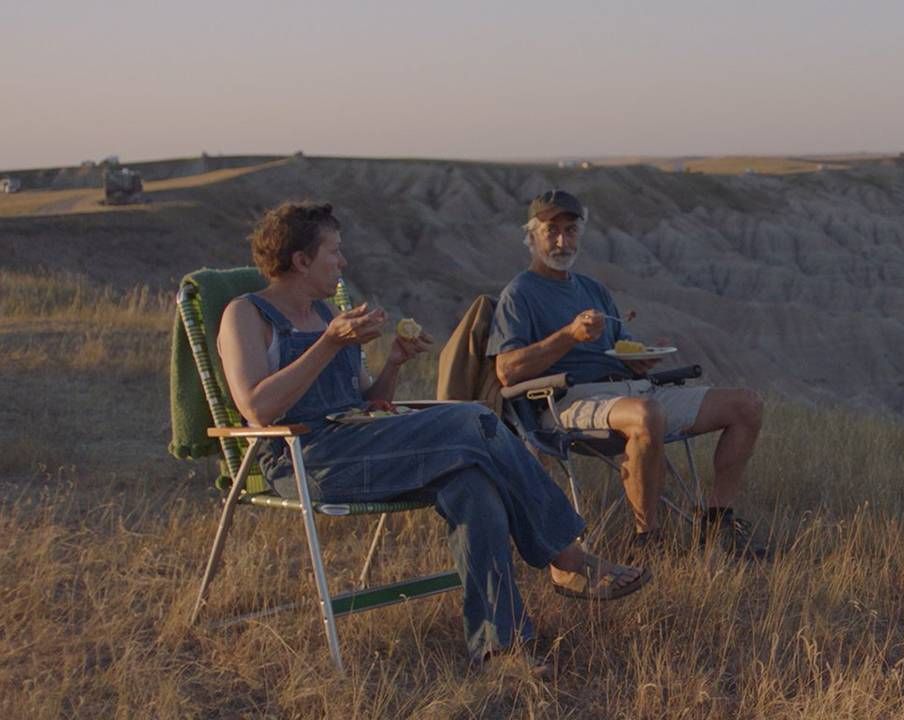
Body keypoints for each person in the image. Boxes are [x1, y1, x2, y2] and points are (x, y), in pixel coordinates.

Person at [217, 201, 648, 671]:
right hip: (307, 458)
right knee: (473, 418)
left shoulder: (324, 315)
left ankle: (498, 648)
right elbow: (257, 408)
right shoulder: (247, 315)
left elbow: (366, 401)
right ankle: (565, 554)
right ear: (301, 260)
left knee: (473, 486)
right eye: (334, 252)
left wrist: (394, 363)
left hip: (361, 443)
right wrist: (329, 344)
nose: (342, 263)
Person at [487, 190, 767, 559]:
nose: (561, 240)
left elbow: (622, 347)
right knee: (646, 413)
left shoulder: (593, 290)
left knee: (746, 405)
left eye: (570, 230)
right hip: (565, 401)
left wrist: (641, 358)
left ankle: (716, 522)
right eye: (551, 230)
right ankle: (647, 541)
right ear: (532, 236)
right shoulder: (519, 293)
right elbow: (507, 371)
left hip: (631, 389)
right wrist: (569, 336)